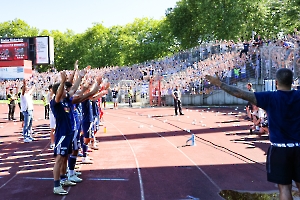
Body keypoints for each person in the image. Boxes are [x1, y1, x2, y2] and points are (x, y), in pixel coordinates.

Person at [205, 68, 300, 200]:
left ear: (276, 82)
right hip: (299, 147)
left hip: (279, 149)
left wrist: (220, 83)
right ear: (291, 82)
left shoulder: (270, 97)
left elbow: (239, 93)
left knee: (284, 188)